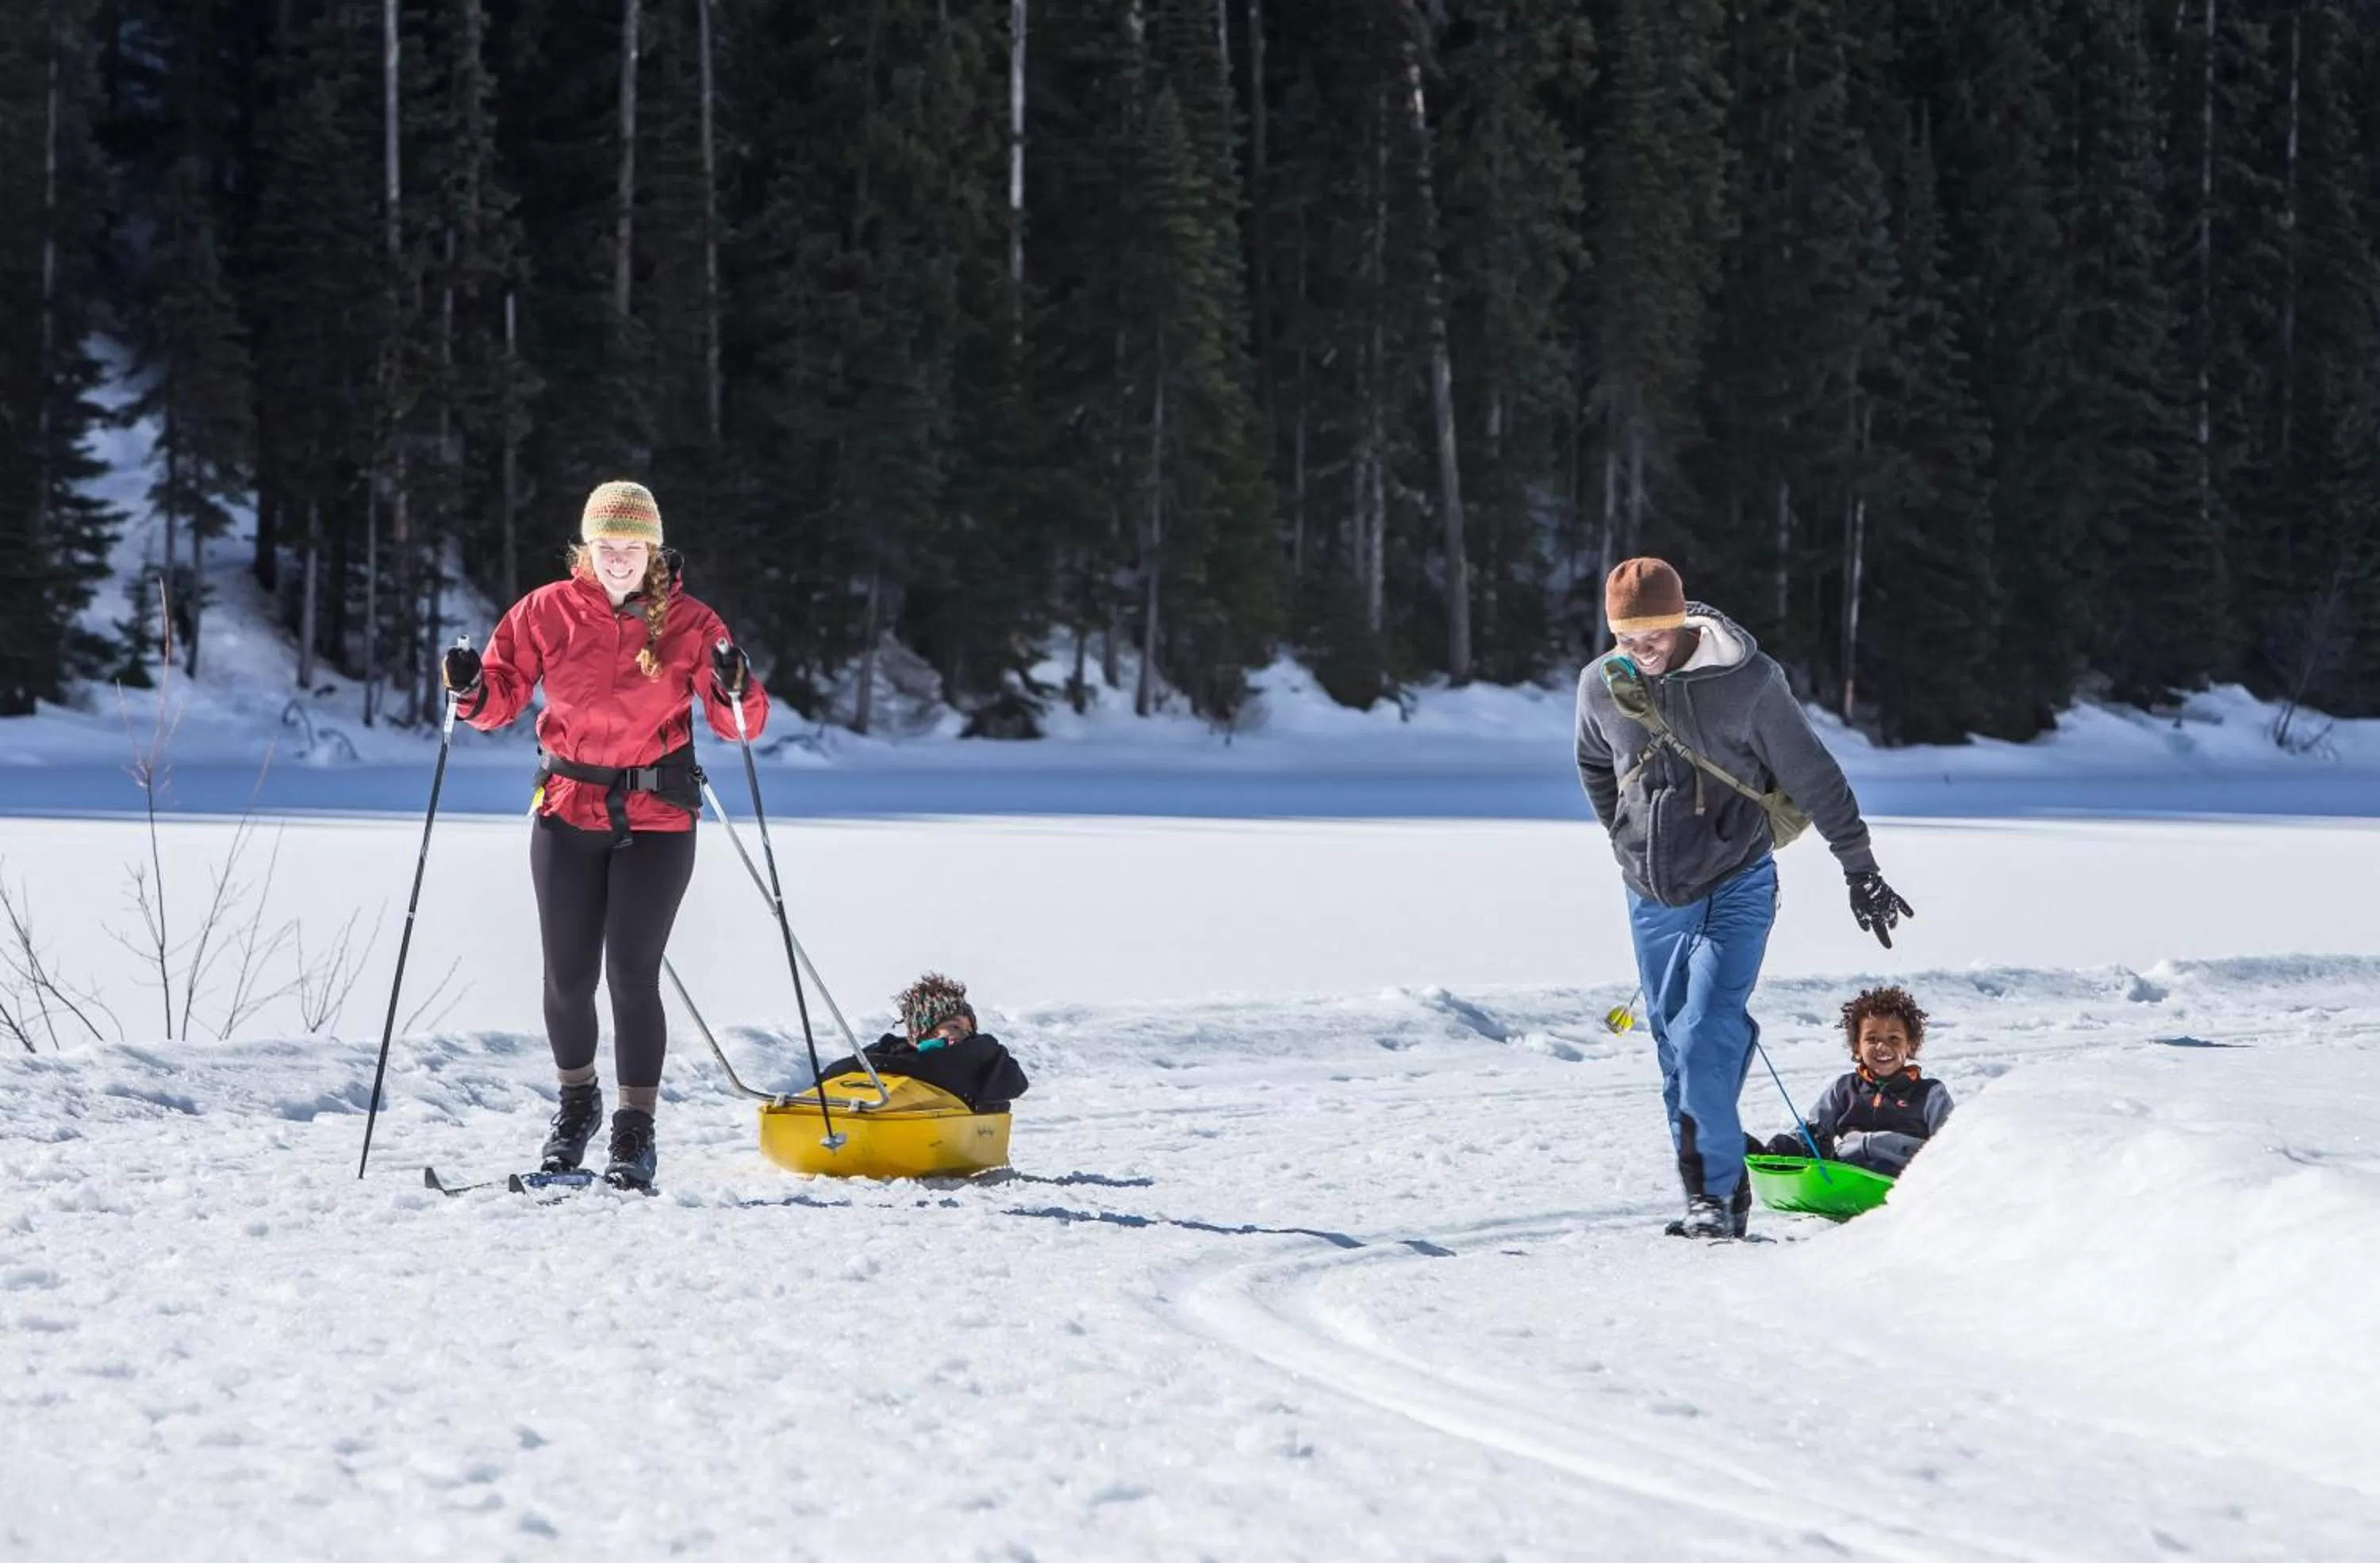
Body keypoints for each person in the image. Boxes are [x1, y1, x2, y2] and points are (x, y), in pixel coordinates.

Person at [439, 479, 767, 1189]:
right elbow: (498, 697)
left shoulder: (691, 621)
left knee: (630, 974)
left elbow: (738, 721)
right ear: (585, 549)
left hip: (658, 816)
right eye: (605, 547)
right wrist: (468, 690)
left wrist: (736, 684)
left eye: (632, 547)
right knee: (566, 977)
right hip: (566, 806)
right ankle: (576, 1104)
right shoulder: (546, 611)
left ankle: (634, 1129)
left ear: (653, 549)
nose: (618, 559)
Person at [1574, 557, 1914, 1240]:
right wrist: (1624, 836)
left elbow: (1815, 775)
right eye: (1625, 640)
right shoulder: (1601, 684)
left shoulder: (1748, 682)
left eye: (1651, 639)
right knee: (1676, 1045)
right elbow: (1593, 764)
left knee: (1705, 1031)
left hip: (1737, 879)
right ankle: (1715, 1196)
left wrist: (1860, 867)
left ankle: (1715, 1194)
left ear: (1678, 621)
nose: (1638, 654)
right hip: (1652, 893)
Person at [1763, 985, 1953, 1177]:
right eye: (1872, 1039)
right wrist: (1793, 1145)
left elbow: (1951, 1142)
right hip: (1848, 1171)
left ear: (1910, 1045)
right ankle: (1757, 1157)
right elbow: (1815, 1128)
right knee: (1793, 1144)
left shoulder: (1930, 1094)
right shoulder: (1845, 1089)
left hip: (1904, 1176)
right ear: (1857, 1047)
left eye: (1894, 1039)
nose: (1882, 1046)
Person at [815, 974, 1030, 1112]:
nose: (963, 1035)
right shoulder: (888, 1053)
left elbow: (1013, 1080)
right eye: (954, 1027)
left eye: (968, 1030)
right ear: (920, 1034)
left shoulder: (975, 1056)